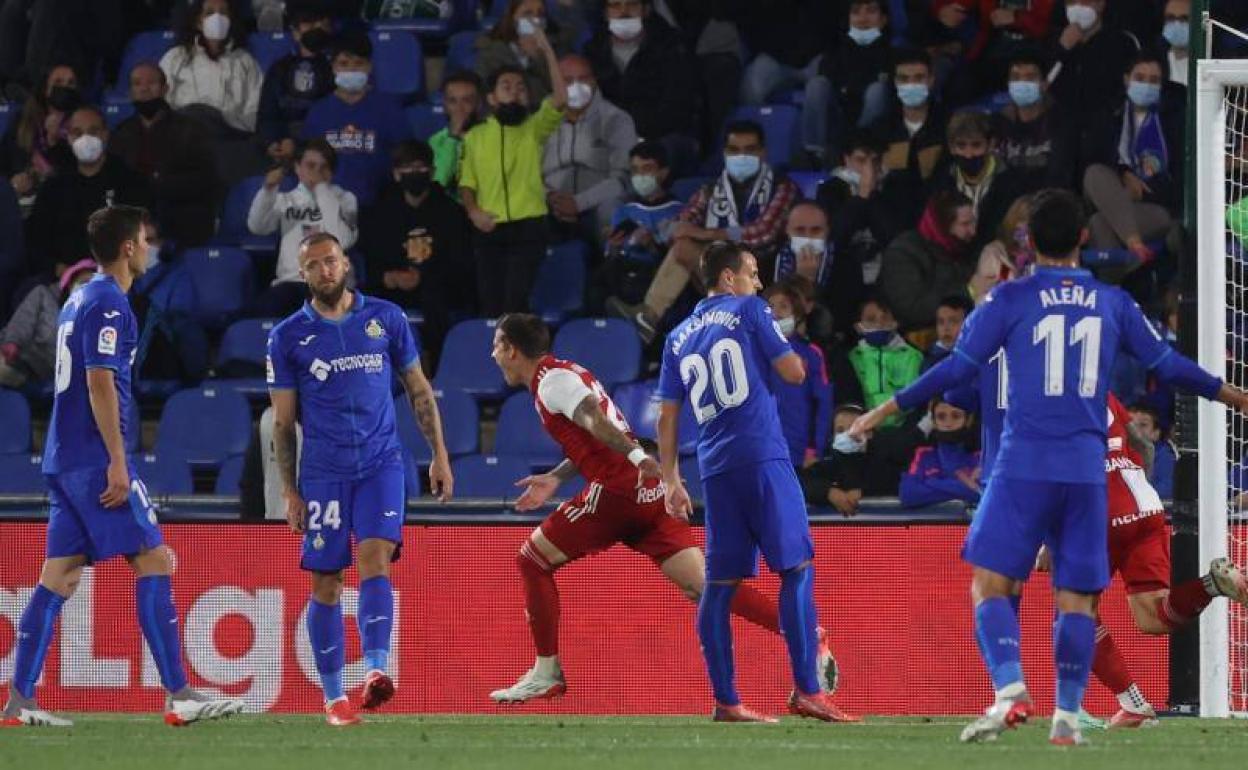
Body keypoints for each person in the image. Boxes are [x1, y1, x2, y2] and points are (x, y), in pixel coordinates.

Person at [848, 189, 1248, 746]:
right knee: (1078, 597)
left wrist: (887, 408)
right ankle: (1066, 714)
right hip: (1088, 470)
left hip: (1024, 463)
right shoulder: (1113, 303)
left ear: (1030, 242)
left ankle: (1011, 693)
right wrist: (1233, 394)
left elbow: (954, 370)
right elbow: (1168, 366)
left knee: (991, 584)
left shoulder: (1007, 301)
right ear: (1084, 238)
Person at [487, 313, 838, 705]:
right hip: (647, 493)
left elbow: (596, 420)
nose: (493, 353)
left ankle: (546, 671)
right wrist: (557, 476)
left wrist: (637, 457)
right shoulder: (565, 373)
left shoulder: (551, 383)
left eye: (497, 345)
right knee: (704, 587)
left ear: (512, 350)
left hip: (619, 490)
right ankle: (808, 634)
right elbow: (594, 431)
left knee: (531, 560)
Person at [1, 205, 244, 727]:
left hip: (62, 457)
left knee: (59, 576)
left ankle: (19, 701)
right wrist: (117, 459)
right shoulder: (110, 302)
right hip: (92, 459)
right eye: (145, 238)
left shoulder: (78, 297)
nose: (150, 247)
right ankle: (179, 694)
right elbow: (99, 381)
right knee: (154, 560)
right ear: (129, 247)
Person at [656, 241, 858, 724]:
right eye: (752, 273)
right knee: (796, 569)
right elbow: (792, 372)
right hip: (763, 456)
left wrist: (669, 478)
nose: (759, 282)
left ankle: (726, 700)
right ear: (729, 279)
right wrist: (788, 349)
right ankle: (807, 690)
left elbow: (666, 414)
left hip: (715, 467)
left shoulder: (677, 335)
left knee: (719, 586)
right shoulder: (750, 309)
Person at [266, 232, 454, 726]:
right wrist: (290, 490)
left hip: (381, 464)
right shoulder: (287, 336)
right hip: (324, 473)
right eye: (314, 265)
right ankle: (333, 698)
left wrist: (439, 454)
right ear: (302, 274)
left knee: (376, 557)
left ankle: (374, 669)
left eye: (331, 261)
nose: (325, 270)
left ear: (346, 263)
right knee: (327, 581)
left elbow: (418, 389)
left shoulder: (385, 319)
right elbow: (283, 424)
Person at [1044, 393, 1248, 729]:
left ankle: (1132, 704)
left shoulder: (1040, 394)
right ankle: (1211, 584)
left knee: (1074, 615)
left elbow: (1049, 472)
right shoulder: (1100, 389)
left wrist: (1048, 537)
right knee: (1155, 617)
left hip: (1096, 512)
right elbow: (1142, 443)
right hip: (1144, 504)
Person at [607, 120, 798, 343]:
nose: (742, 156)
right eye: (735, 150)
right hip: (720, 271)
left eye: (750, 150)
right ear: (725, 153)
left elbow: (763, 233)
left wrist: (706, 234)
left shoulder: (782, 187)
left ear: (763, 152)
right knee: (682, 244)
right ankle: (648, 318)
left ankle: (651, 317)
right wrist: (684, 228)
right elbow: (681, 223)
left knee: (689, 245)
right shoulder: (712, 189)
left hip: (761, 273)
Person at [460, 29, 567, 317]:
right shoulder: (475, 137)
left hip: (529, 225)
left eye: (521, 87)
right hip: (488, 227)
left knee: (515, 304)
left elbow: (560, 97)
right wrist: (473, 212)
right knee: (491, 305)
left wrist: (546, 50)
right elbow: (467, 183)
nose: (516, 92)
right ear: (492, 98)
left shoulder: (534, 127)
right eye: (507, 86)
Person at [359, 139, 472, 361]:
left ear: (432, 171)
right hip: (393, 287)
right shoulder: (380, 214)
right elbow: (371, 257)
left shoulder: (451, 212)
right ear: (396, 173)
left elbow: (460, 261)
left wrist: (423, 276)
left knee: (437, 297)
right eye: (407, 168)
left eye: (420, 168)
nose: (414, 173)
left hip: (438, 287)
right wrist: (387, 276)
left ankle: (435, 364)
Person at [1081, 53, 1184, 266]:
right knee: (1094, 173)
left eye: (1153, 81)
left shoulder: (1174, 119)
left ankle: (1115, 286)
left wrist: (1144, 189)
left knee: (1099, 224)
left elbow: (1181, 179)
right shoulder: (1109, 114)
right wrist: (1123, 175)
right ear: (1127, 79)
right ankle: (1135, 245)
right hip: (1110, 196)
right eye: (1140, 78)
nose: (1146, 85)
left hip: (1155, 205)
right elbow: (1091, 162)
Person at [27, 106, 151, 282]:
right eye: (77, 133)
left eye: (93, 131)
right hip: (64, 281)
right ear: (68, 137)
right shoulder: (54, 186)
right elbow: (36, 240)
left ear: (105, 134)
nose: (85, 138)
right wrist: (64, 272)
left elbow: (143, 238)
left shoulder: (130, 181)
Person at [110, 62, 220, 249]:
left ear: (165, 88)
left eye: (151, 83)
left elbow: (205, 179)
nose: (144, 89)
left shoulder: (190, 129)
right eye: (137, 84)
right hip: (133, 215)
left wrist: (159, 182)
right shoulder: (122, 133)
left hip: (180, 214)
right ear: (130, 92)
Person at [583, 0, 700, 171]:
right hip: (608, 140)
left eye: (632, 4)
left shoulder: (673, 47)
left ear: (646, 10)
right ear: (605, 13)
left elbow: (678, 108)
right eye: (615, 5)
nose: (624, 12)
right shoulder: (592, 52)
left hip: (658, 136)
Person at [247, 138, 358, 318]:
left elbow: (342, 240)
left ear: (332, 172)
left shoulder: (346, 199)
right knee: (262, 314)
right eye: (311, 166)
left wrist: (321, 188)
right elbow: (257, 227)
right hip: (290, 282)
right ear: (297, 167)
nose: (317, 173)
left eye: (324, 168)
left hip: (333, 285)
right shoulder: (286, 200)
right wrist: (268, 190)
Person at [302, 30, 413, 207]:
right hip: (327, 207)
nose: (351, 70)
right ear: (333, 67)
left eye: (358, 63)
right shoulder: (319, 112)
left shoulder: (390, 109)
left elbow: (406, 158)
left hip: (379, 205)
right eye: (344, 64)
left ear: (369, 67)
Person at [542, 54, 637, 243]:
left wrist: (578, 203)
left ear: (594, 81)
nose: (577, 86)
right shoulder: (541, 119)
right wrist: (550, 197)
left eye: (584, 78)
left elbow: (623, 179)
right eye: (567, 80)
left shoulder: (616, 119)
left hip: (595, 203)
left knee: (611, 209)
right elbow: (526, 173)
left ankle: (617, 265)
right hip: (549, 203)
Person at [589, 141, 683, 313]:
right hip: (621, 270)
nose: (640, 175)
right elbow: (611, 253)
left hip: (654, 276)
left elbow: (677, 262)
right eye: (635, 170)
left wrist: (651, 245)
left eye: (647, 168)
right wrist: (614, 246)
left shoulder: (678, 211)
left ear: (663, 172)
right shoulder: (624, 210)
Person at [878, 190, 977, 333]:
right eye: (965, 224)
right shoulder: (903, 253)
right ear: (943, 225)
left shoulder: (962, 248)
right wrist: (968, 291)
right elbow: (912, 309)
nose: (973, 231)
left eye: (973, 222)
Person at [159, 0, 263, 134]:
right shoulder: (175, 58)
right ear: (198, 22)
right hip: (183, 137)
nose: (217, 18)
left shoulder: (245, 61)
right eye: (209, 13)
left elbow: (255, 110)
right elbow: (161, 103)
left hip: (229, 139)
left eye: (223, 13)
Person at [810, 0, 895, 161]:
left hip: (875, 128)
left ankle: (864, 151)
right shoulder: (835, 52)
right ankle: (814, 154)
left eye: (870, 11)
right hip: (839, 120)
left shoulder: (894, 55)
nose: (863, 18)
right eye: (856, 12)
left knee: (877, 91)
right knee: (817, 85)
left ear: (884, 19)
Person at [256, 2, 335, 163]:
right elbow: (267, 114)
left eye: (322, 23)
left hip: (326, 145)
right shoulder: (280, 68)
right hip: (285, 143)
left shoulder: (339, 65)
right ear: (295, 32)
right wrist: (273, 142)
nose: (316, 28)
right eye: (309, 23)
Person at [1047, 0, 1140, 136]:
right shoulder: (1053, 41)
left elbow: (1131, 89)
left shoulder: (1123, 42)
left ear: (1101, 4)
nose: (1077, 7)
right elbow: (1043, 85)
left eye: (1085, 2)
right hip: (1062, 134)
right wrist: (1062, 49)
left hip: (1107, 134)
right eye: (1071, 2)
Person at [765, 282, 832, 468]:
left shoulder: (811, 354)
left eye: (784, 306)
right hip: (761, 448)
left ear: (798, 315)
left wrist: (815, 448)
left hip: (798, 450)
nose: (775, 312)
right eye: (770, 306)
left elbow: (823, 405)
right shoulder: (752, 351)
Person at [774, 201, 864, 338]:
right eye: (800, 230)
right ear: (787, 230)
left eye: (816, 230)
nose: (808, 237)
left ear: (827, 231)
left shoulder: (847, 265)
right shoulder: (769, 262)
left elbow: (841, 321)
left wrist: (808, 284)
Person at [0, 259, 94, 388]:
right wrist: (12, 342)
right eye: (83, 283)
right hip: (16, 356)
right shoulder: (43, 295)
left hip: (48, 379)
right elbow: (22, 321)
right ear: (70, 284)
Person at [991, 54, 1076, 191]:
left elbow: (1059, 178)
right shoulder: (998, 123)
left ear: (1044, 84)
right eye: (1016, 77)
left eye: (1030, 77)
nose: (1022, 83)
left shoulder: (1061, 122)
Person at [0, 63, 78, 209]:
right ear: (45, 89)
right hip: (22, 202)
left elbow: (79, 172)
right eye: (58, 82)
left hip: (63, 203)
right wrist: (13, 180)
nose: (65, 88)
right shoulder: (22, 121)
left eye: (71, 83)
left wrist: (54, 143)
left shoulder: (82, 123)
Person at [473, 0, 581, 105]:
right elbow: (483, 90)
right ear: (513, 18)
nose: (535, 20)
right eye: (527, 14)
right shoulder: (492, 52)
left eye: (540, 14)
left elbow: (559, 90)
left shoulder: (555, 47)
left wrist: (538, 57)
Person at [847, 295, 922, 427]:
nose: (879, 324)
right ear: (858, 327)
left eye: (885, 318)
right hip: (864, 430)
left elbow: (913, 401)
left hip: (902, 430)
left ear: (895, 323)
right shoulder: (853, 358)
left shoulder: (912, 356)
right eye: (871, 319)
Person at [898, 397, 980, 507]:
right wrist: (965, 487)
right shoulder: (922, 454)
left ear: (968, 420)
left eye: (956, 416)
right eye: (941, 417)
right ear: (934, 422)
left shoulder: (983, 456)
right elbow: (908, 494)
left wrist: (931, 482)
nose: (948, 423)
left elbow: (985, 493)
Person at [428, 70, 482, 197]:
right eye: (453, 101)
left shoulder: (492, 137)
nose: (459, 108)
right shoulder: (436, 141)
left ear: (479, 105)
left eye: (467, 101)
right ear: (445, 105)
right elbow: (438, 183)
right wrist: (453, 138)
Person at [1128, 402, 1175, 499]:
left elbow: (1164, 492)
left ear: (1156, 433)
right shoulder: (1112, 451)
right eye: (1130, 424)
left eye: (1143, 425)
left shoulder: (1164, 456)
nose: (1135, 430)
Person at [924, 294, 973, 371]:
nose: (946, 328)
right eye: (941, 322)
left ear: (969, 323)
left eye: (953, 321)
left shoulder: (977, 356)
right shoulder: (929, 361)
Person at [1161, 0, 1191, 86]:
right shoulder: (1156, 60)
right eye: (1171, 18)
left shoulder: (1211, 58)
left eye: (1184, 19)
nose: (1177, 24)